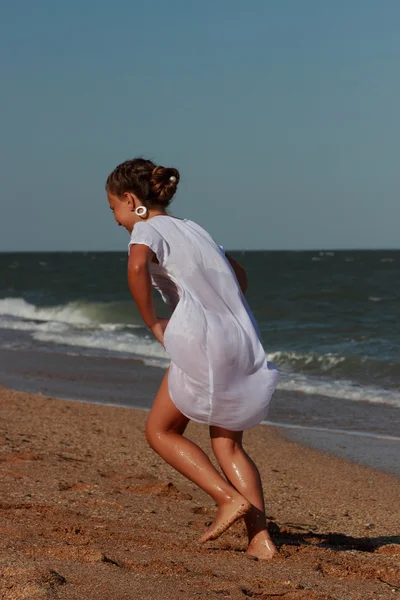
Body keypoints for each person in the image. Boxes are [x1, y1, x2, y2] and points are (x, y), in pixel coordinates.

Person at [106, 158, 279, 560]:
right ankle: (260, 539)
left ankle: (225, 498)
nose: (115, 219)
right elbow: (241, 277)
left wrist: (153, 322)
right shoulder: (194, 228)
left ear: (131, 200)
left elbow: (135, 268)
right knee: (229, 446)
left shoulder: (146, 229)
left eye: (113, 208)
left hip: (200, 339)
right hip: (240, 336)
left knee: (160, 432)